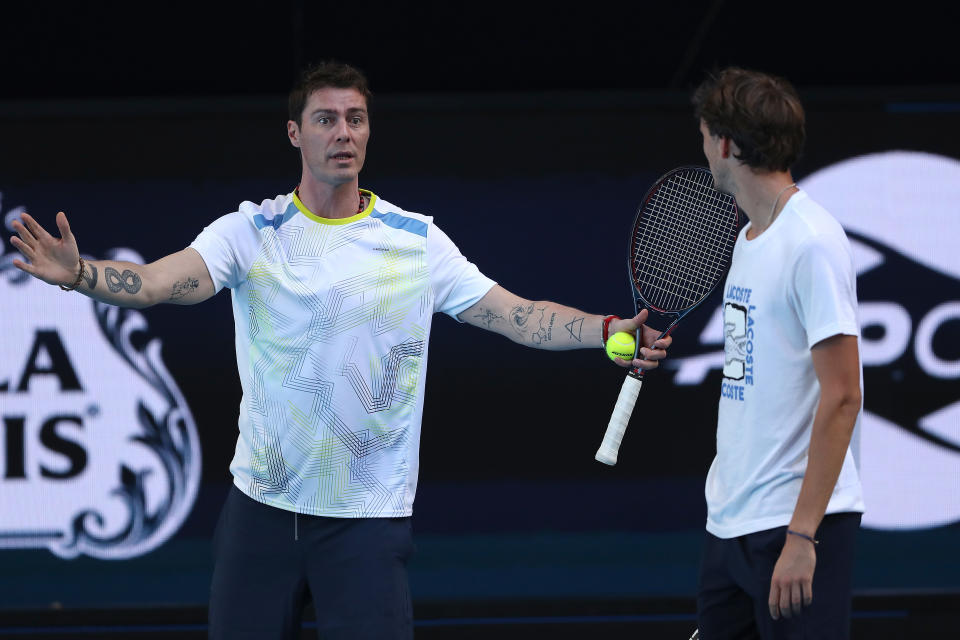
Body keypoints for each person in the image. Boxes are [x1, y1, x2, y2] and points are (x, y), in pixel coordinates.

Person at [9, 61, 671, 640]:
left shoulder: (416, 242)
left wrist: (608, 329)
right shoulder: (252, 231)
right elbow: (158, 283)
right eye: (325, 119)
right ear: (295, 133)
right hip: (261, 516)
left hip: (366, 522)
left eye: (355, 119)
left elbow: (517, 315)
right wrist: (82, 275)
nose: (343, 133)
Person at [692, 67, 865, 639]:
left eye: (703, 133)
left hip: (794, 532)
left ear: (724, 143)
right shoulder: (748, 241)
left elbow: (842, 397)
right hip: (730, 528)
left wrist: (802, 536)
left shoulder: (812, 241)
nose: (702, 146)